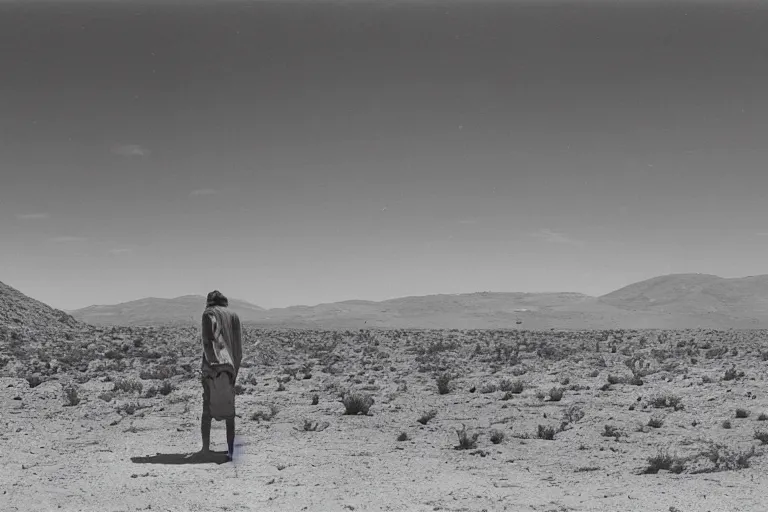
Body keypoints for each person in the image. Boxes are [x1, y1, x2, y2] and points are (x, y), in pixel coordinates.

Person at [198, 290, 243, 461]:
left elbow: (208, 341)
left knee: (208, 408)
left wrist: (213, 365)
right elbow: (239, 347)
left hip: (214, 368)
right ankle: (230, 450)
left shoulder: (209, 314)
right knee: (229, 410)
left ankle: (205, 449)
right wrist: (234, 370)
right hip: (231, 368)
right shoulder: (234, 315)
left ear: (210, 301)